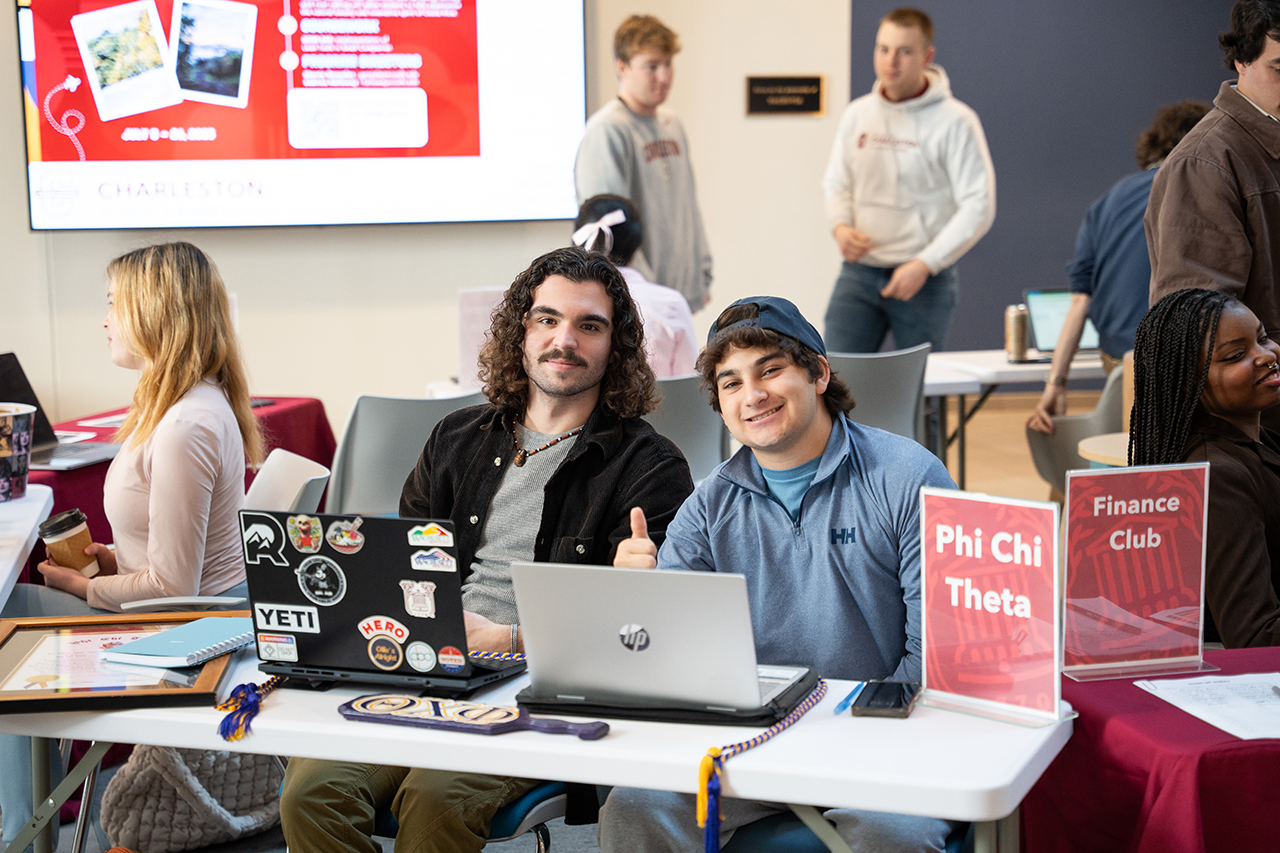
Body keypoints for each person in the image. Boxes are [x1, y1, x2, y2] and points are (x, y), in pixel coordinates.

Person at [279, 247, 694, 853]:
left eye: (589, 325)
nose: (564, 339)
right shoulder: (455, 438)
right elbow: (399, 572)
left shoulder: (648, 467)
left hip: (539, 690)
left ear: (617, 344)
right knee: (309, 794)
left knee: (435, 799)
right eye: (547, 319)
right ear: (521, 329)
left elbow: (637, 638)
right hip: (426, 670)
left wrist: (515, 639)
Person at [601, 297, 959, 852]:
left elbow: (937, 649)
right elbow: (673, 663)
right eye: (731, 383)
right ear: (720, 406)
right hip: (756, 738)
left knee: (892, 831)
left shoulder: (909, 476)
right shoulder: (706, 507)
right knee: (635, 805)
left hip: (887, 733)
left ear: (818, 372)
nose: (754, 395)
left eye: (770, 369)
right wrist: (639, 600)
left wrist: (858, 731)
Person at [0, 241, 263, 850]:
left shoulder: (185, 424)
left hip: (181, 627)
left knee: (8, 620)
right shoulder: (188, 405)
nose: (105, 319)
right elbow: (181, 556)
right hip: (186, 612)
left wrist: (86, 585)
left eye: (115, 304)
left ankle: (16, 829)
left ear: (154, 312)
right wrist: (118, 562)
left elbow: (175, 587)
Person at [1027, 101, 1209, 433]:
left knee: (1121, 451)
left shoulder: (1108, 200)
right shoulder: (1204, 192)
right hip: (1182, 363)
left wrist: (1056, 383)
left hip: (1118, 364)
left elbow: (1080, 300)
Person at [821, 7, 995, 354]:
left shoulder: (956, 122)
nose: (891, 61)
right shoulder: (859, 114)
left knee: (922, 395)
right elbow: (837, 183)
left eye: (904, 51)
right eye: (883, 49)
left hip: (925, 280)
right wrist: (840, 226)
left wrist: (924, 264)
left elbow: (980, 204)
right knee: (833, 380)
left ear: (927, 56)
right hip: (859, 273)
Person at [1147, 0, 1280, 429]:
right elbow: (1203, 331)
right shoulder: (1205, 162)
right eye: (1279, 68)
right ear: (1241, 59)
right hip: (1260, 429)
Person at [1130, 289, 1280, 648]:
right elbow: (1256, 636)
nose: (1266, 356)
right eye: (1236, 356)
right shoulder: (1217, 477)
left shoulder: (1261, 442)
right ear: (1188, 383)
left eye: (1262, 338)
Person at [574, 14, 713, 313]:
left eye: (667, 64)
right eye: (651, 66)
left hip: (679, 294)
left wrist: (701, 271)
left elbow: (688, 206)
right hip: (641, 302)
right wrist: (646, 293)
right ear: (622, 66)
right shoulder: (608, 130)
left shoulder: (672, 125)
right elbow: (608, 234)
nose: (663, 77)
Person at [572, 194, 697, 378]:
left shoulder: (563, 301)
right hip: (658, 406)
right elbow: (688, 382)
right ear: (637, 244)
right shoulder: (670, 303)